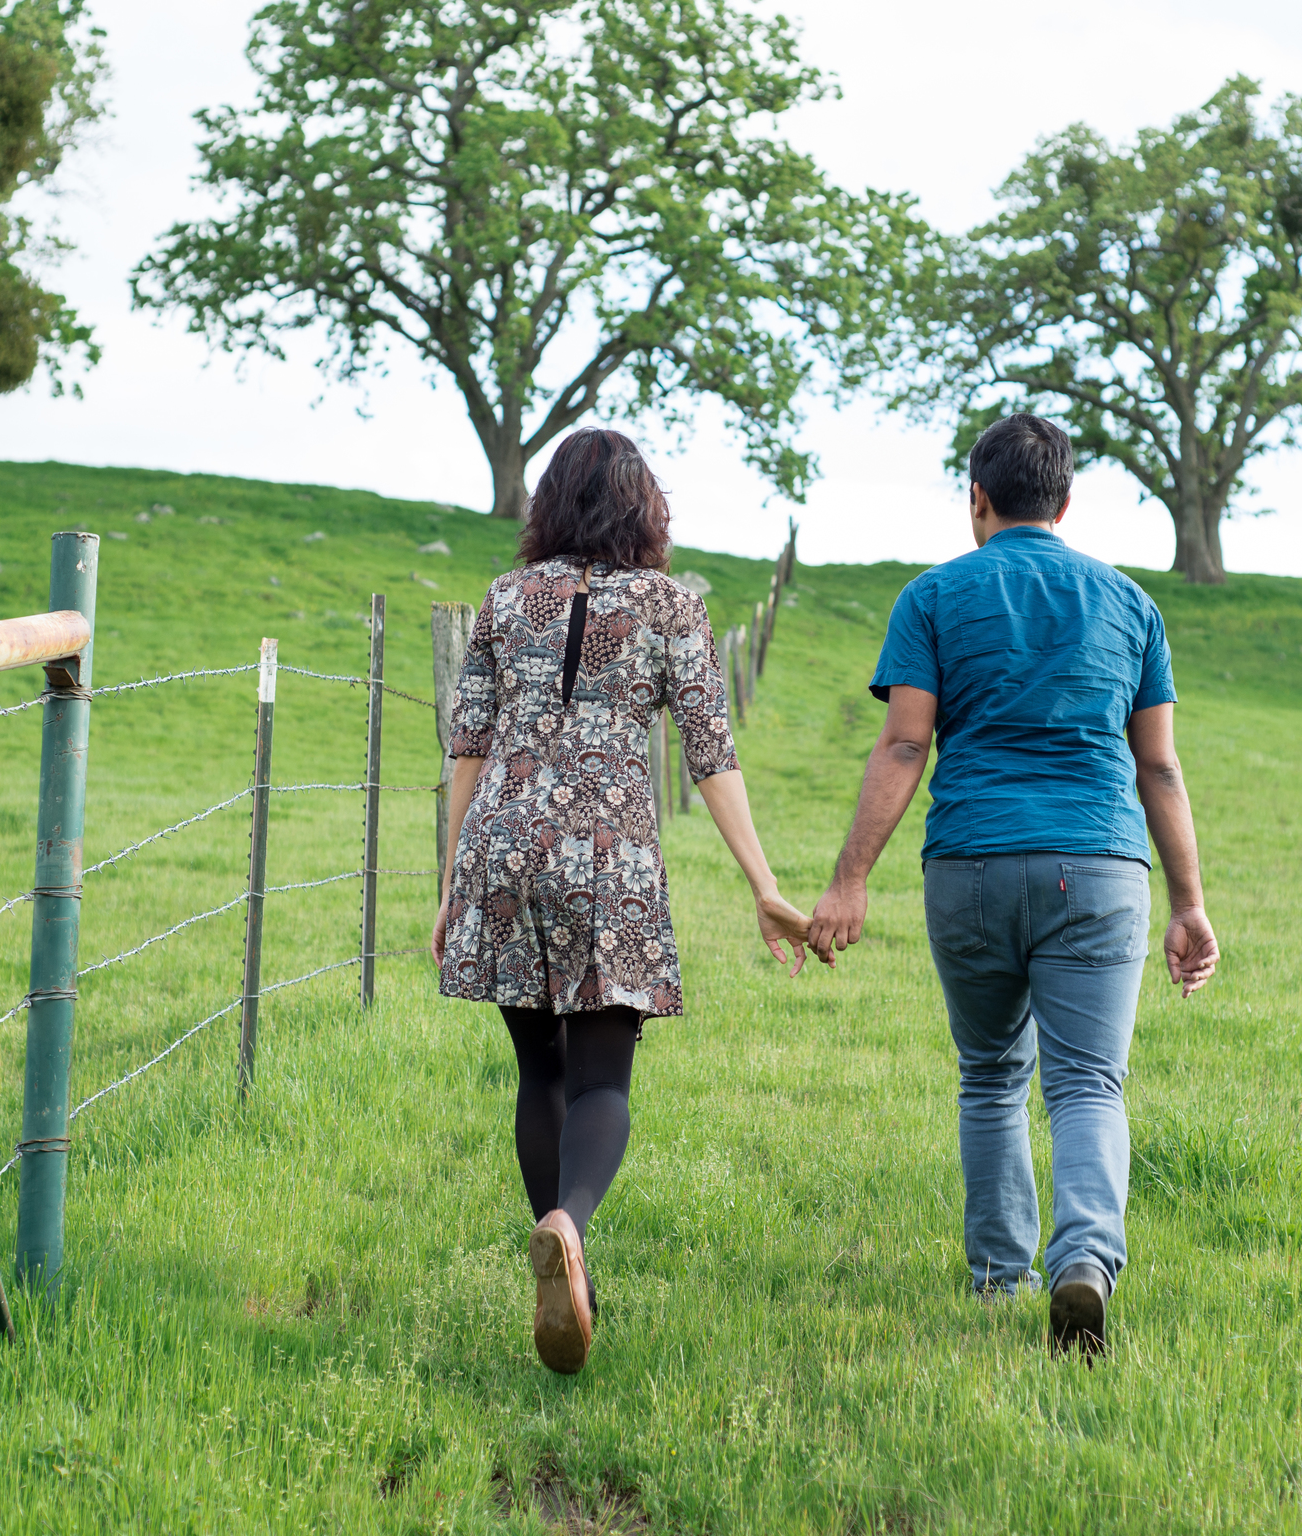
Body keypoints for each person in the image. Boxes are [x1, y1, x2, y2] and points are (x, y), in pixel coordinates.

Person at [806, 413, 1220, 1359]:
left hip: (971, 865)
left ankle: (1001, 1281)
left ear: (977, 500)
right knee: (1086, 1084)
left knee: (991, 1077)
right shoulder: (1129, 606)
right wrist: (1190, 903)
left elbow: (906, 741)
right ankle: (1084, 1260)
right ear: (1067, 504)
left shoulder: (934, 597)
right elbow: (1158, 768)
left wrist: (849, 881)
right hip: (1101, 866)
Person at [433, 428, 812, 1375]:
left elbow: (466, 750)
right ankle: (571, 1222)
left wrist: (453, 883)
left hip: (505, 844)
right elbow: (710, 753)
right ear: (644, 507)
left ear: (550, 503)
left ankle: (567, 1269)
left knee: (539, 1073)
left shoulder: (505, 599)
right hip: (607, 853)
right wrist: (764, 885)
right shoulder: (673, 605)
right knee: (603, 1078)